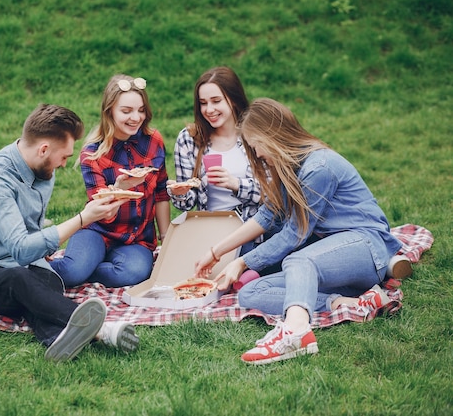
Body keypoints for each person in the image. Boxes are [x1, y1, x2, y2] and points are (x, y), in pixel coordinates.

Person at [194, 98, 404, 365]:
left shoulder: (319, 167)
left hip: (366, 248)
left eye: (257, 144)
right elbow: (267, 216)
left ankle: (295, 333)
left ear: (274, 135)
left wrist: (243, 261)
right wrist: (216, 252)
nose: (257, 153)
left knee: (298, 259)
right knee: (251, 293)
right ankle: (349, 303)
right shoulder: (289, 168)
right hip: (331, 260)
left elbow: (294, 235)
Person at [0, 104, 139, 362]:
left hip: (29, 268)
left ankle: (57, 339)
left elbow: (32, 235)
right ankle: (103, 330)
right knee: (21, 280)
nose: (64, 164)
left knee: (49, 283)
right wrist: (83, 218)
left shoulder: (43, 172)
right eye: (63, 157)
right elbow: (20, 249)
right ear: (43, 149)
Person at [50, 74, 171, 287]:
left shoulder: (153, 141)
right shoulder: (92, 154)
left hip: (137, 238)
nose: (136, 117)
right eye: (126, 111)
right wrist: (119, 190)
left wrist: (167, 238)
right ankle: (26, 268)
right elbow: (102, 215)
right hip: (98, 230)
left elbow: (161, 192)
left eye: (141, 110)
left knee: (135, 273)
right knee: (70, 273)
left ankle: (89, 267)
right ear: (110, 111)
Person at [168, 67, 262, 254]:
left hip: (249, 229)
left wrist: (235, 184)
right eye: (203, 103)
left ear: (233, 99)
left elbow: (273, 195)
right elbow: (186, 205)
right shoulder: (189, 138)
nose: (209, 110)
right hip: (207, 229)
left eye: (216, 101)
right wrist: (180, 192)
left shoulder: (256, 135)